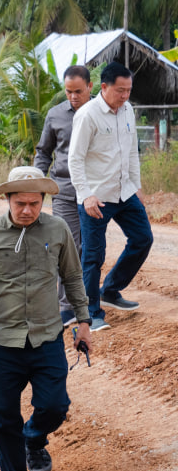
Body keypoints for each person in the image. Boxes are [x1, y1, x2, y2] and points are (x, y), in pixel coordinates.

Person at [0, 166, 91, 471]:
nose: (27, 210)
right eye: (20, 203)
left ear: (43, 201)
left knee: (55, 406)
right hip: (2, 342)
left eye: (34, 203)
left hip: (47, 337)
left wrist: (84, 321)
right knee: (2, 418)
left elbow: (73, 276)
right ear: (7, 200)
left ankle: (35, 437)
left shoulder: (57, 229)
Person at [68, 62, 152, 331]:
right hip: (96, 198)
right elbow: (75, 159)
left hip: (124, 192)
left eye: (128, 90)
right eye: (120, 90)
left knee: (143, 239)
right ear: (104, 87)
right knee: (93, 256)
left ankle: (111, 290)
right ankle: (91, 313)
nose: (125, 95)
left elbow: (131, 152)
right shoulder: (87, 115)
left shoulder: (128, 110)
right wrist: (86, 196)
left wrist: (136, 186)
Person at [34, 65, 94, 326]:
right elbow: (44, 152)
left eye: (78, 91)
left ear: (90, 87)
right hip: (65, 190)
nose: (73, 97)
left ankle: (90, 299)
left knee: (91, 248)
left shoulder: (102, 113)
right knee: (67, 246)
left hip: (95, 193)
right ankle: (67, 306)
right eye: (68, 91)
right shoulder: (55, 115)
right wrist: (37, 183)